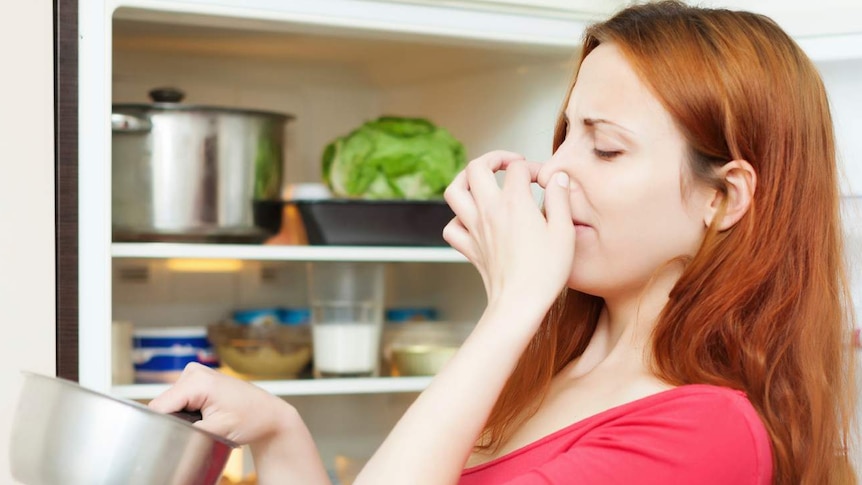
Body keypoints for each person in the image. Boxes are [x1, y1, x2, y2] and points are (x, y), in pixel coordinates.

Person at [149, 1, 857, 483]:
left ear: (723, 197)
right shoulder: (551, 371)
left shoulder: (703, 432)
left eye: (605, 148)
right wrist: (279, 431)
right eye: (565, 134)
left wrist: (514, 305)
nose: (555, 169)